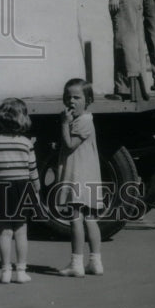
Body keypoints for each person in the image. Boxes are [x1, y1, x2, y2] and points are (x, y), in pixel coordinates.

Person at [0, 97, 41, 284]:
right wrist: (37, 190)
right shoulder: (26, 143)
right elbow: (33, 171)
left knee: (4, 232)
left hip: (0, 188)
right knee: (21, 231)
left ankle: (5, 271)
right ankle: (21, 271)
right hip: (23, 188)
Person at [54, 78, 104, 278]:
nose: (71, 101)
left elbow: (69, 145)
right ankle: (95, 261)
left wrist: (64, 124)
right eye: (68, 97)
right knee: (90, 219)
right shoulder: (84, 120)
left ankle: (77, 262)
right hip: (88, 177)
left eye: (77, 97)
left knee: (76, 219)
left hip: (78, 178)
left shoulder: (82, 122)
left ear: (88, 100)